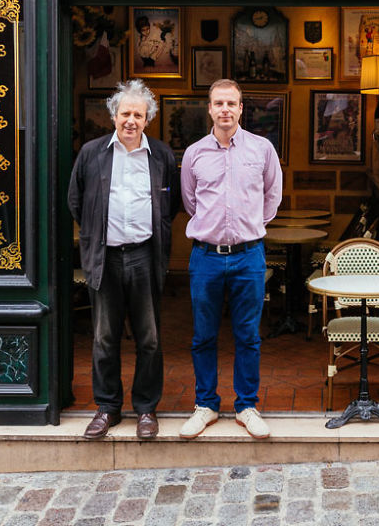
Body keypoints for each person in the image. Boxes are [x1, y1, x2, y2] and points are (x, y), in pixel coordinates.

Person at [68, 79, 180, 440]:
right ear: (114, 115)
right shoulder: (92, 153)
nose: (131, 120)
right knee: (104, 337)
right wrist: (95, 234)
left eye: (138, 115)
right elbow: (76, 201)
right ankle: (108, 408)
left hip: (145, 255)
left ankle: (146, 408)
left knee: (149, 338)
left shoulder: (161, 155)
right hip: (106, 256)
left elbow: (170, 204)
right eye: (125, 113)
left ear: (148, 119)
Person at [179, 78, 282, 440]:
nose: (225, 109)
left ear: (241, 109)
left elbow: (272, 196)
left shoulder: (262, 149)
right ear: (210, 109)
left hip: (248, 256)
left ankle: (246, 406)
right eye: (219, 103)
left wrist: (248, 226)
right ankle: (205, 404)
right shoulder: (194, 154)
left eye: (231, 103)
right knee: (203, 336)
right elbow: (190, 201)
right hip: (206, 256)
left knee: (248, 336)